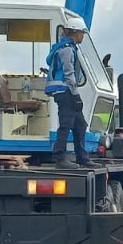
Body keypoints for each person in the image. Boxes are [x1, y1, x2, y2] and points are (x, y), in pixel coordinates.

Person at [45, 22, 91, 168]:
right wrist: (76, 95)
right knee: (66, 124)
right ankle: (60, 158)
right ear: (76, 33)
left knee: (80, 124)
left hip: (63, 90)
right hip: (65, 90)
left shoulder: (66, 48)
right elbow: (69, 74)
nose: (83, 36)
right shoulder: (67, 50)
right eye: (82, 33)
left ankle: (82, 157)